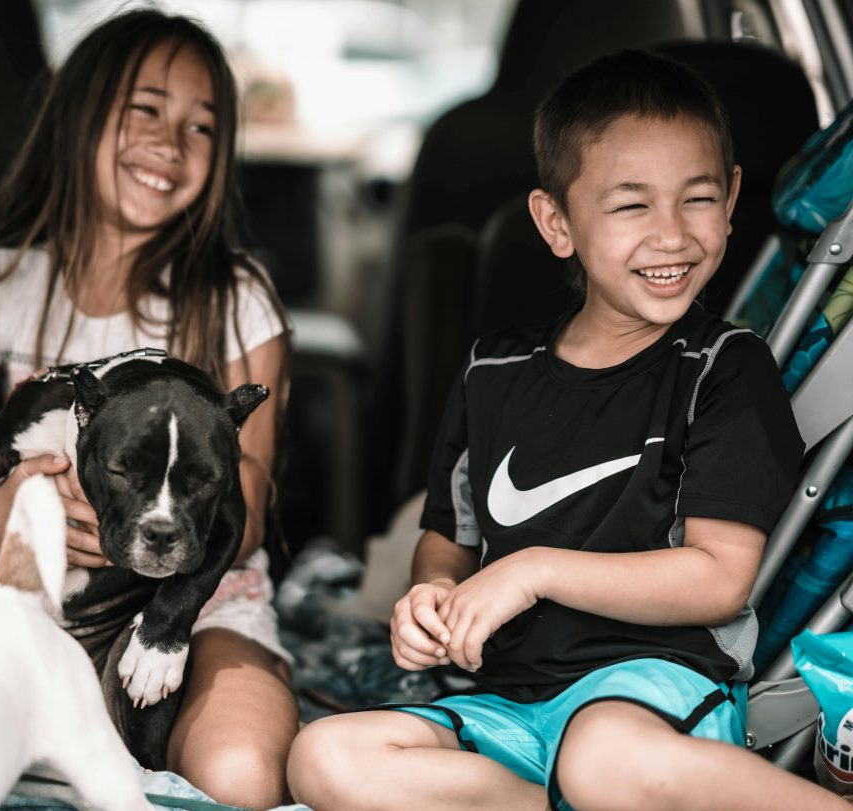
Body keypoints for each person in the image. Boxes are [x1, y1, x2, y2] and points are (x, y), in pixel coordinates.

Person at [287, 50, 846, 811]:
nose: (672, 235)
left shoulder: (723, 369)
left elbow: (719, 577)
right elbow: (449, 539)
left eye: (698, 199)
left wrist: (533, 569)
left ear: (734, 197)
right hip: (513, 705)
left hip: (649, 694)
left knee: (600, 761)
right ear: (557, 223)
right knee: (325, 755)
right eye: (631, 205)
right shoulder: (492, 373)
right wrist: (431, 595)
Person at [0, 10, 297, 809]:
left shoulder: (237, 298)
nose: (171, 142)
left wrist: (175, 601)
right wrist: (1, 517)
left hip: (194, 606)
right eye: (146, 108)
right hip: (17, 597)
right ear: (79, 113)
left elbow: (253, 508)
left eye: (202, 127)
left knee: (241, 772)